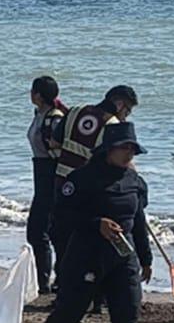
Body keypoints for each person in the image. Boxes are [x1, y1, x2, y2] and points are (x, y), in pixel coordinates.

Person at [23, 122, 153, 323]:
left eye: (133, 148)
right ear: (108, 149)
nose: (129, 153)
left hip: (123, 258)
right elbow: (60, 218)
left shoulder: (135, 182)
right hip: (86, 257)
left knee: (127, 315)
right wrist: (97, 224)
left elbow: (138, 221)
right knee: (69, 314)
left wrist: (146, 258)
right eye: (124, 148)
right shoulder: (81, 179)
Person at [49, 85, 138, 283]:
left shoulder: (75, 111)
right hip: (92, 192)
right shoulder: (112, 124)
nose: (126, 117)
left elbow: (54, 143)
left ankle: (61, 284)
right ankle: (92, 292)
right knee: (86, 243)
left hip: (62, 183)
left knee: (62, 237)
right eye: (127, 111)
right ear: (119, 104)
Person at [27, 76, 66, 294]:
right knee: (40, 230)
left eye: (32, 91)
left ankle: (49, 282)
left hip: (52, 175)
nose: (30, 94)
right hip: (40, 173)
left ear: (39, 95)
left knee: (43, 230)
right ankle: (44, 280)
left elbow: (61, 151)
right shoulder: (39, 114)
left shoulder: (54, 118)